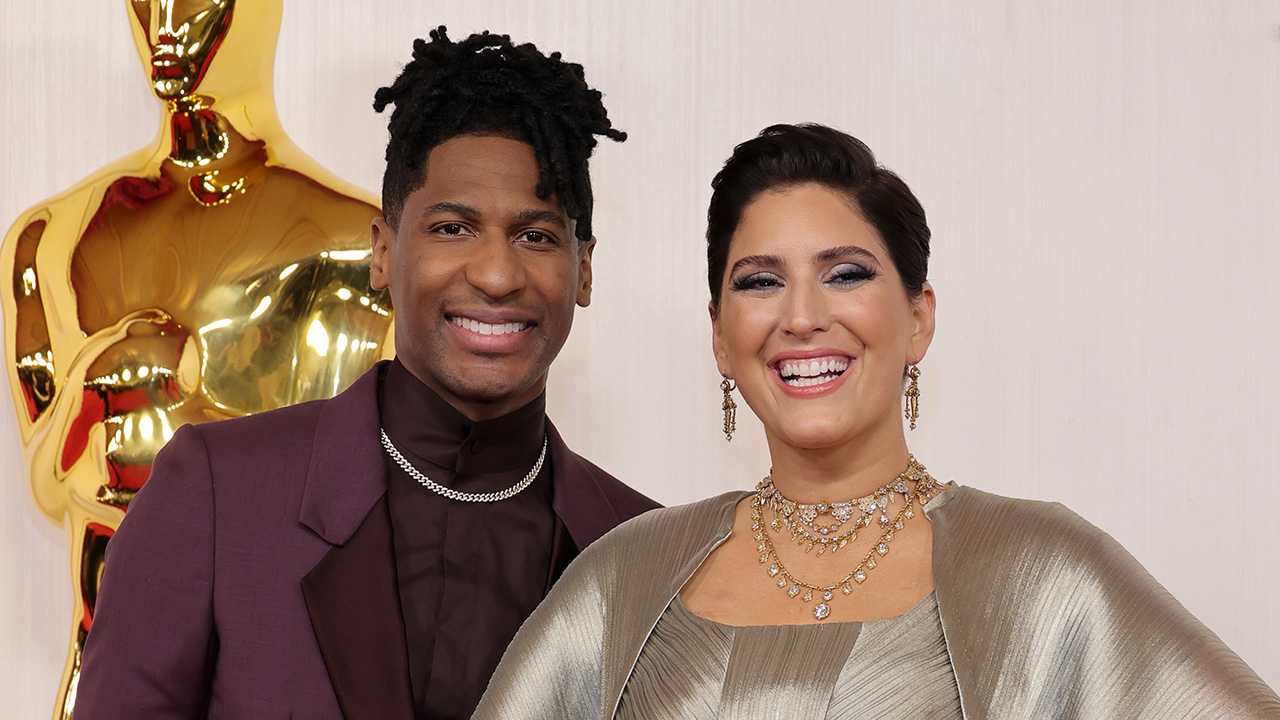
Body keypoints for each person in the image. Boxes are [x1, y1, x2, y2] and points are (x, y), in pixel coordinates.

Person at [474, 124, 1280, 718]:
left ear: (918, 317)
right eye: (760, 282)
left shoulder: (1045, 574)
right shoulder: (624, 580)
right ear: (721, 336)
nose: (801, 317)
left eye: (846, 274)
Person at [74, 26, 656, 720]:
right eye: (452, 228)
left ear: (583, 268)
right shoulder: (215, 494)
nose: (498, 275)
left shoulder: (645, 553)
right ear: (382, 252)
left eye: (536, 235)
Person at [1, 2, 392, 714]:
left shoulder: (364, 251)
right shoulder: (48, 240)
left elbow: (352, 506)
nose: (167, 26)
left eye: (201, 0)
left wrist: (172, 423)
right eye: (148, 2)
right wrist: (96, 381)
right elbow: (51, 486)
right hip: (100, 684)